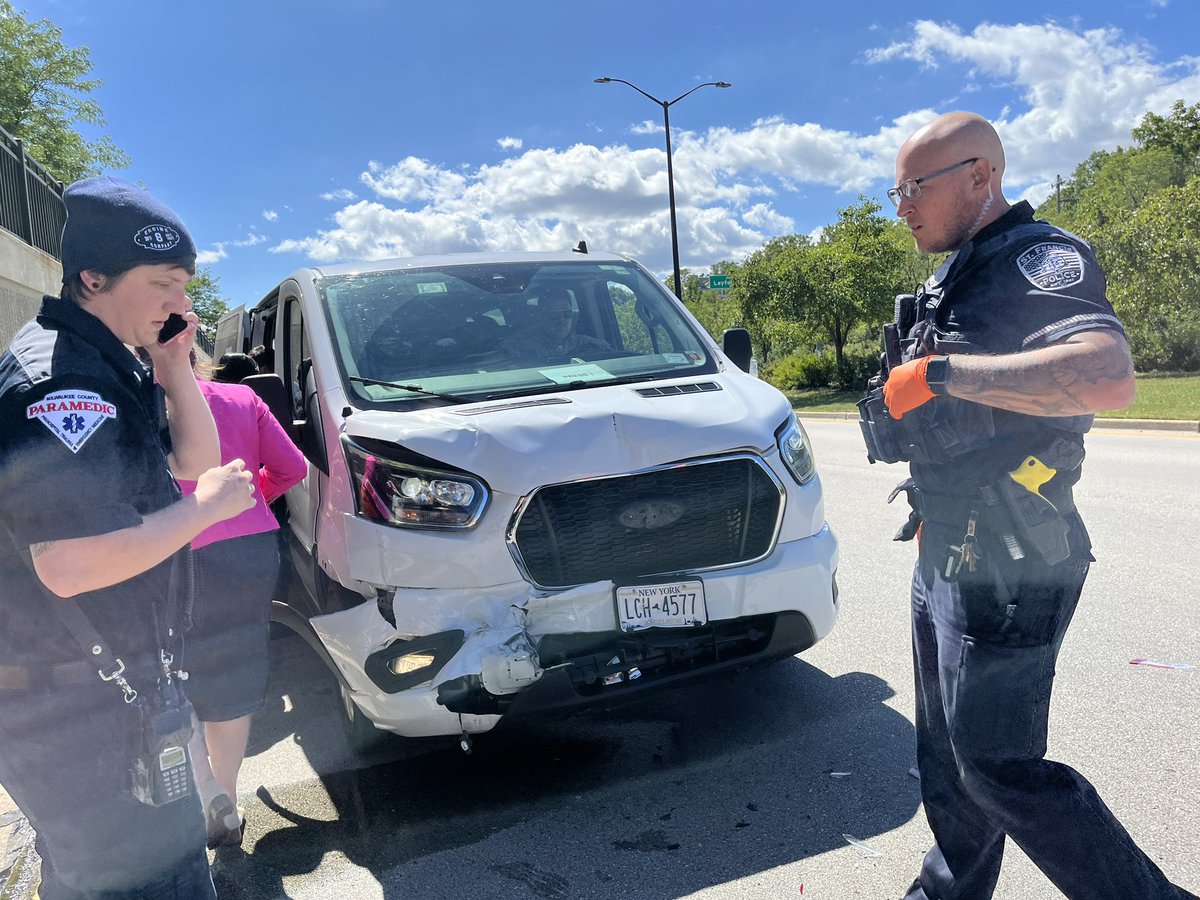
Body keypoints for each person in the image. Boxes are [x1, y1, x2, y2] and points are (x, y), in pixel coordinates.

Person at [872, 112, 1196, 899]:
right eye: (895, 191)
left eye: (917, 187)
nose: (903, 206)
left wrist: (945, 375)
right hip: (948, 548)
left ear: (981, 176)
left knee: (998, 768)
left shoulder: (1037, 257)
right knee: (948, 762)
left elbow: (1107, 372)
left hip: (1015, 557)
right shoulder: (960, 271)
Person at [0, 177, 255, 898]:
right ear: (93, 278)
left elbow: (194, 464)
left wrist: (176, 370)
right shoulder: (62, 384)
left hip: (104, 692)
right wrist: (202, 512)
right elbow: (69, 565)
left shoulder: (110, 360)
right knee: (144, 879)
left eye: (185, 285)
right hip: (73, 711)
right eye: (164, 284)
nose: (182, 304)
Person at [179, 350, 305, 849]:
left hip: (172, 551)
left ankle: (202, 786)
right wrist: (250, 502)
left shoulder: (138, 405)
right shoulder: (240, 396)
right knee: (233, 666)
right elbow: (291, 467)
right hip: (249, 549)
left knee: (172, 670)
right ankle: (227, 798)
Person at [501, 288, 611, 363]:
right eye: (554, 315)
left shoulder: (593, 345)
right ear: (542, 317)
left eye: (566, 314)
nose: (562, 320)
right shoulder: (524, 350)